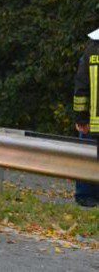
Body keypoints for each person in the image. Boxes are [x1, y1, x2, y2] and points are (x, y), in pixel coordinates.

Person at [72, 28, 99, 207]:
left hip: (92, 122)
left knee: (86, 159)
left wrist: (81, 119)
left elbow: (81, 88)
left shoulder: (90, 53)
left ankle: (85, 197)